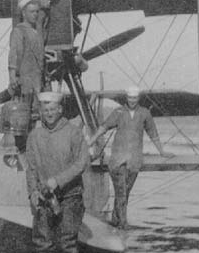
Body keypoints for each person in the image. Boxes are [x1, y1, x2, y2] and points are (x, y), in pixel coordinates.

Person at [88, 86, 174, 229]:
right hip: (117, 159)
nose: (132, 101)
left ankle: (115, 221)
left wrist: (162, 151)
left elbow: (153, 133)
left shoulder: (145, 113)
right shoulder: (118, 112)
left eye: (134, 98)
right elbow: (103, 128)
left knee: (124, 193)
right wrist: (90, 142)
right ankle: (123, 225)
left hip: (134, 160)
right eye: (129, 98)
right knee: (121, 192)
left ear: (138, 98)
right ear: (126, 98)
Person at [26, 91, 89, 253]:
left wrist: (58, 180)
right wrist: (32, 191)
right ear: (41, 112)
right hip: (44, 197)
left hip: (70, 196)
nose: (49, 114)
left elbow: (82, 163)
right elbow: (31, 168)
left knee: (67, 242)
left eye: (53, 110)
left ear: (60, 110)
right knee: (42, 243)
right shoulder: (34, 136)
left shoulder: (73, 132)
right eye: (45, 110)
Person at [9, 0, 46, 117]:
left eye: (37, 11)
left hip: (37, 79)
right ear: (24, 13)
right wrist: (12, 75)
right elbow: (14, 53)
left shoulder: (37, 33)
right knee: (24, 113)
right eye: (31, 12)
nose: (35, 14)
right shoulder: (19, 31)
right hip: (25, 80)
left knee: (38, 112)